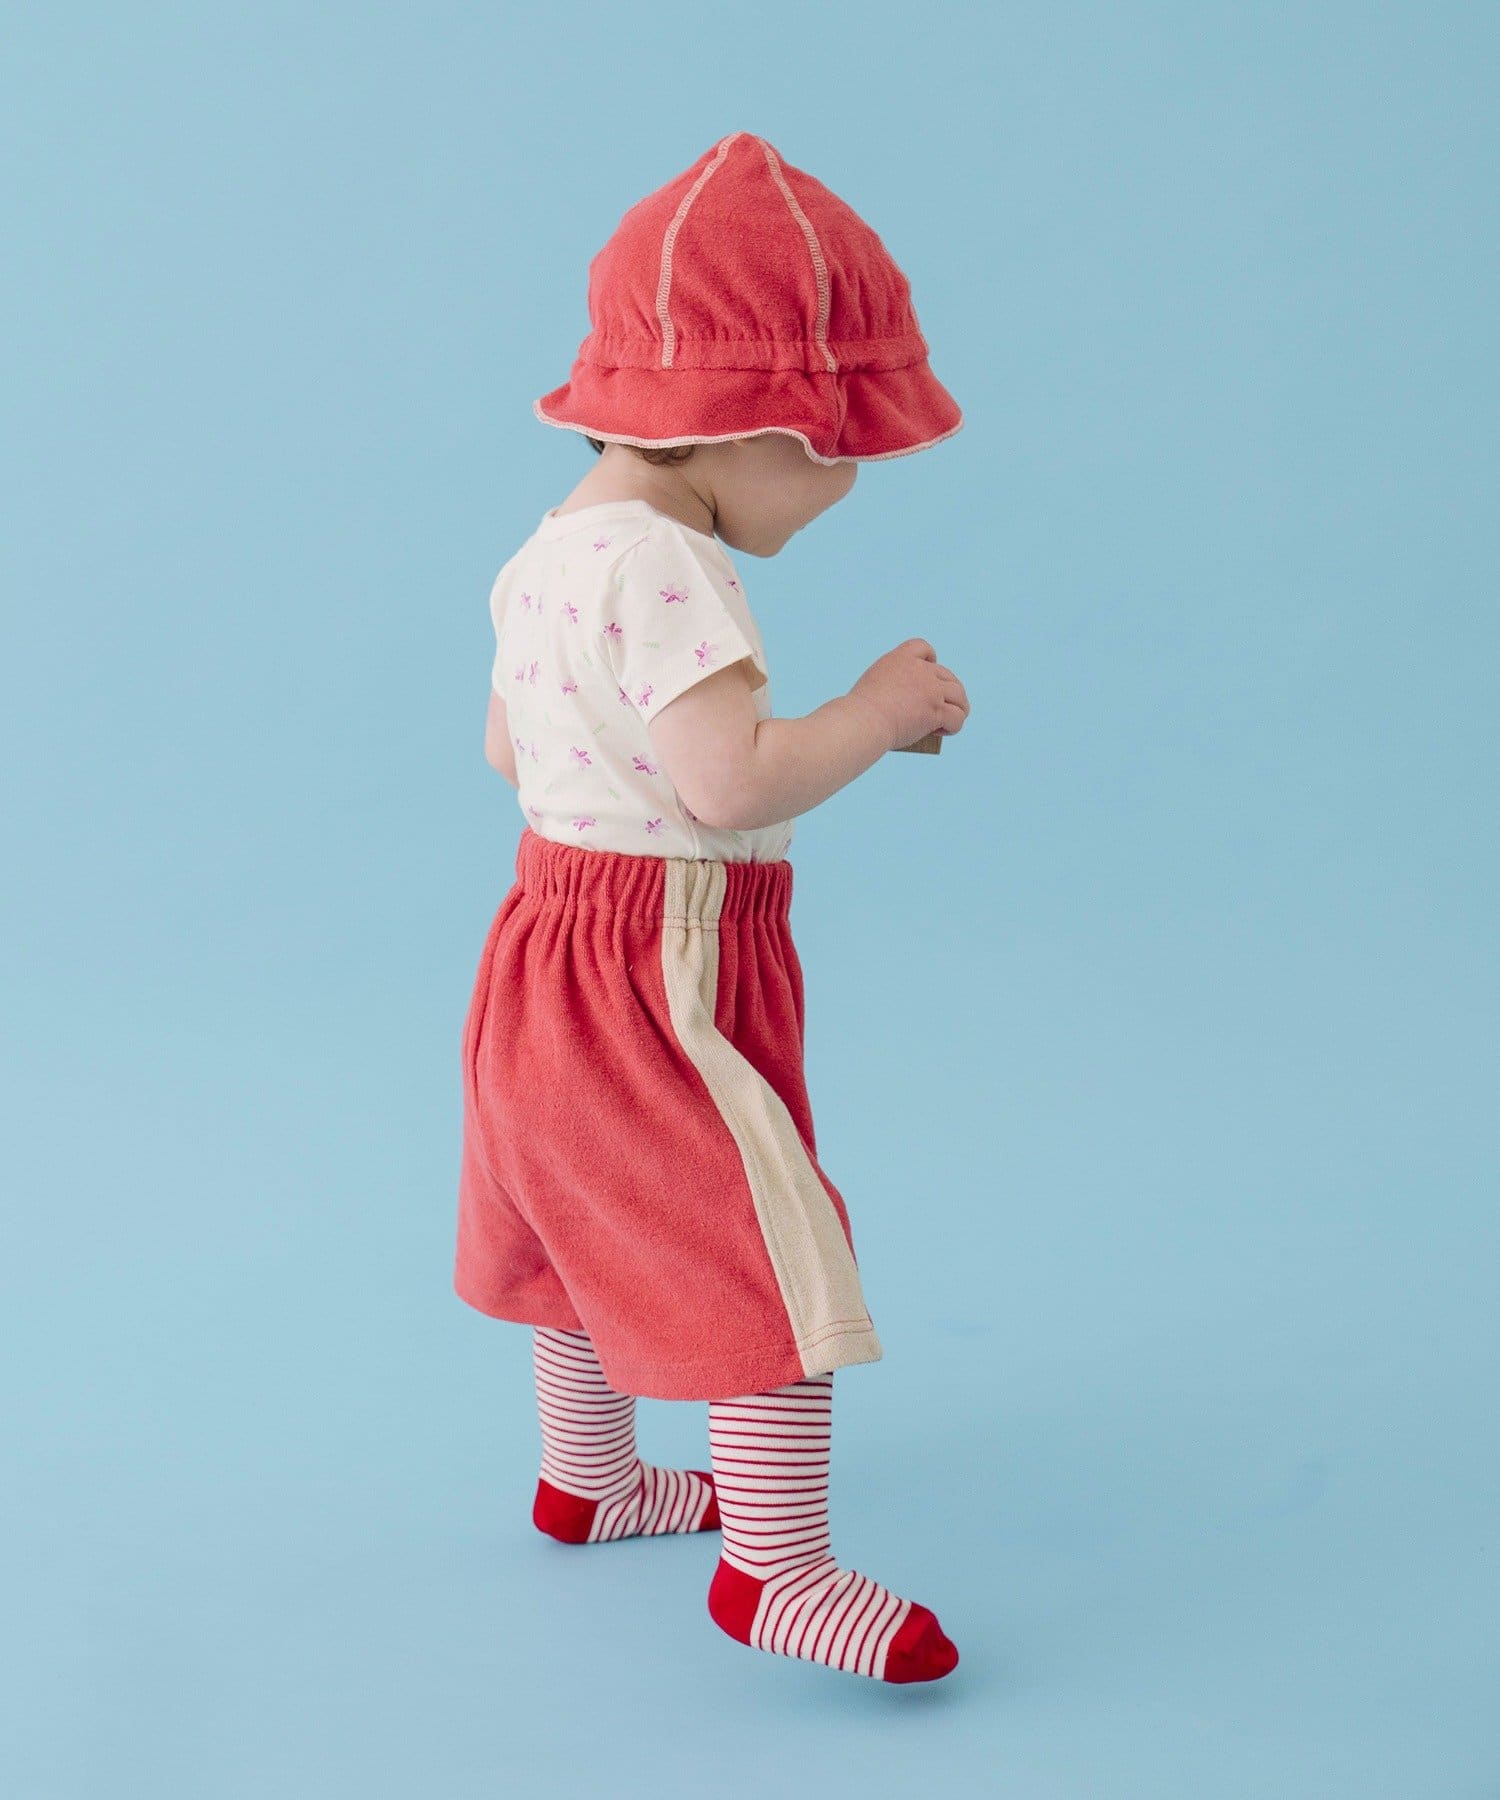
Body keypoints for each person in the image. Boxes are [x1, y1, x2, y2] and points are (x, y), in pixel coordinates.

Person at [456, 131, 971, 1684]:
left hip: (542, 949)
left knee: (578, 1224)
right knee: (768, 1257)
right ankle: (777, 1571)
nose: (846, 486)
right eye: (836, 451)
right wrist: (875, 713)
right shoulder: (672, 569)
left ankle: (592, 1478)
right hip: (659, 967)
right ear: (739, 423)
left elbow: (510, 752)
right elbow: (730, 785)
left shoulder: (549, 552)